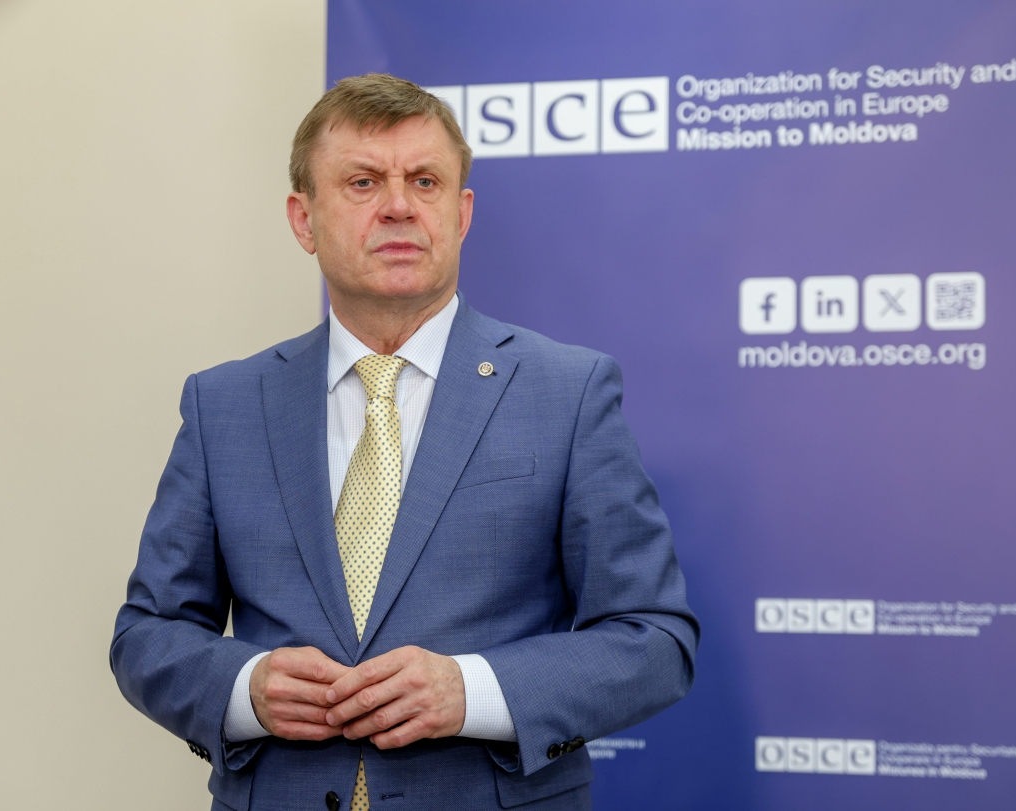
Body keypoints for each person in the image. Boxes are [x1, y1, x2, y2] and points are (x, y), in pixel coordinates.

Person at [111, 73, 699, 811]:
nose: (398, 205)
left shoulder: (568, 392)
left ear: (462, 213)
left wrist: (472, 691)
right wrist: (244, 688)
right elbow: (148, 633)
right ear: (303, 219)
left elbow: (654, 639)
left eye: (424, 181)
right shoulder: (224, 403)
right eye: (362, 182)